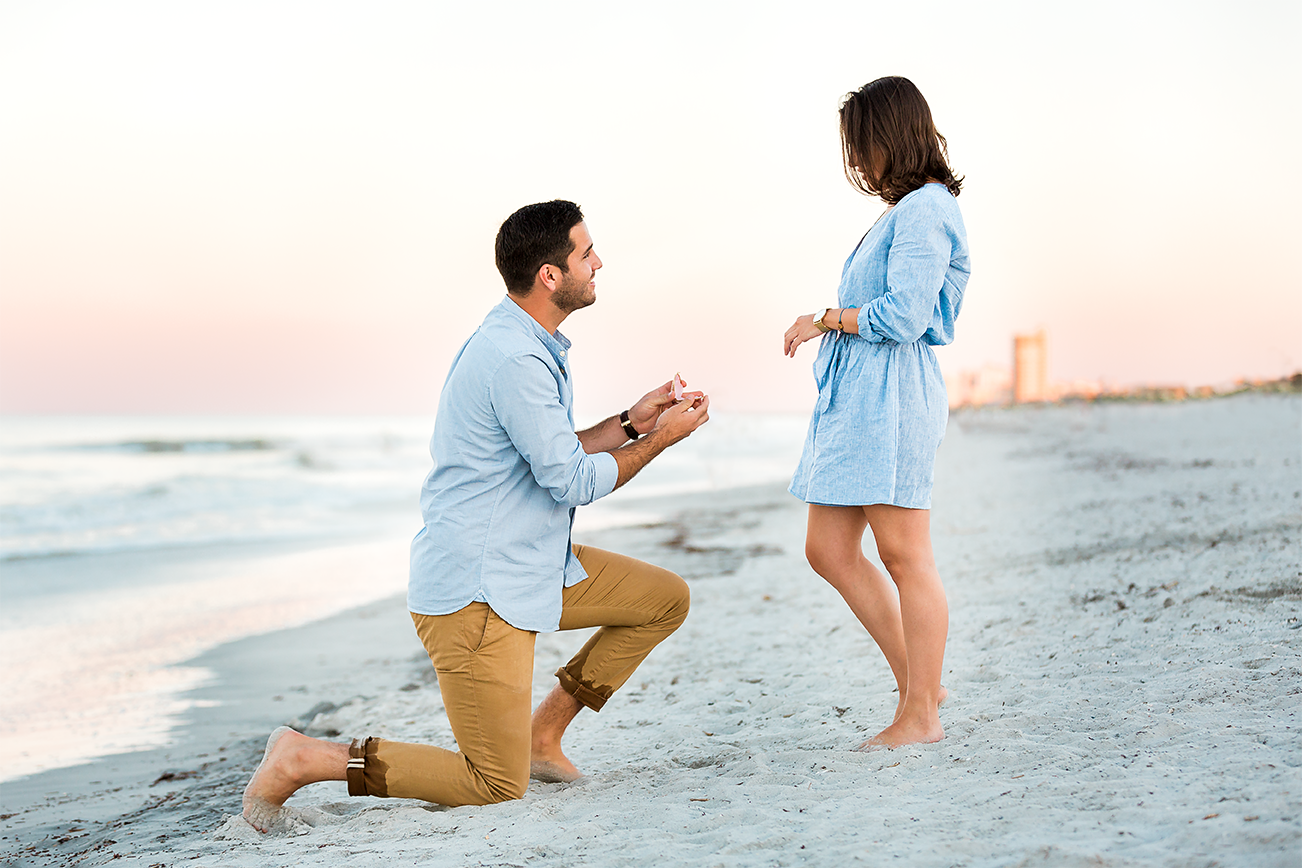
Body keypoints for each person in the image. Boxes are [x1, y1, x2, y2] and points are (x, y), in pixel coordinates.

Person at [242, 200, 710, 831]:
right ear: (550, 275)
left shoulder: (524, 340)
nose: (598, 261)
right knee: (491, 782)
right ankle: (306, 758)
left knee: (663, 599)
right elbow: (570, 479)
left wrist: (632, 421)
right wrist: (660, 442)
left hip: (530, 563)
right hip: (478, 592)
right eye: (585, 251)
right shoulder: (514, 358)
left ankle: (542, 737)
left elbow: (553, 450)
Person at [782, 76, 969, 750]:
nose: (857, 161)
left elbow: (907, 315)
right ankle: (921, 682)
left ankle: (921, 713)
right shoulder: (904, 212)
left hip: (890, 397)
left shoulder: (925, 209)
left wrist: (825, 318)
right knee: (828, 548)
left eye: (861, 145)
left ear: (891, 137)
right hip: (858, 398)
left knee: (904, 554)